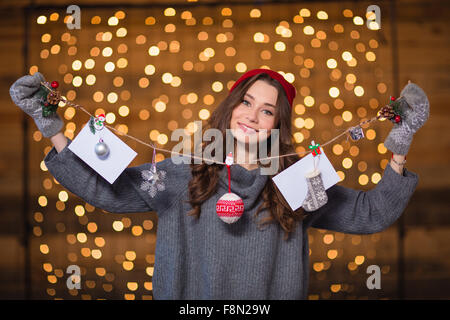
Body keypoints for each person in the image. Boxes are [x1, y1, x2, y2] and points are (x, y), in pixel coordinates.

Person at [9, 69, 429, 299]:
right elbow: (109, 191)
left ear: (277, 126)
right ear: (231, 108)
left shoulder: (297, 182)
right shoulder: (180, 173)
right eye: (246, 102)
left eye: (267, 111)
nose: (251, 115)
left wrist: (399, 148)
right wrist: (54, 130)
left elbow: (369, 215)